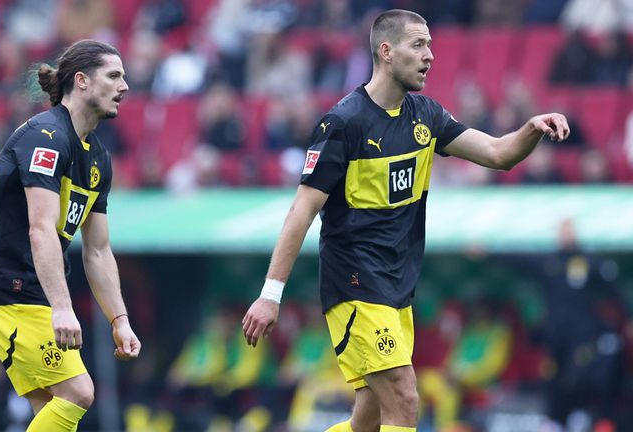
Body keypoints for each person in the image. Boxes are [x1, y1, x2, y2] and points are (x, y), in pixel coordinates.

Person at [241, 9, 569, 432]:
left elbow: (497, 153)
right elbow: (301, 211)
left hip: (398, 286)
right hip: (355, 282)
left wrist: (532, 128)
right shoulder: (343, 123)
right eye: (419, 44)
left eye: (430, 44)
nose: (430, 55)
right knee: (404, 395)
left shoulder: (426, 116)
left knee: (370, 413)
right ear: (386, 51)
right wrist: (270, 295)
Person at [0, 40, 141, 432]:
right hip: (10, 289)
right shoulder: (44, 136)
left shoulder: (98, 158)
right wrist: (63, 307)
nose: (124, 85)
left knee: (52, 408)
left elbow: (97, 250)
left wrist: (120, 319)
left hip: (36, 292)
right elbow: (40, 228)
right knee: (79, 392)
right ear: (81, 81)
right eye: (114, 76)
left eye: (124, 76)